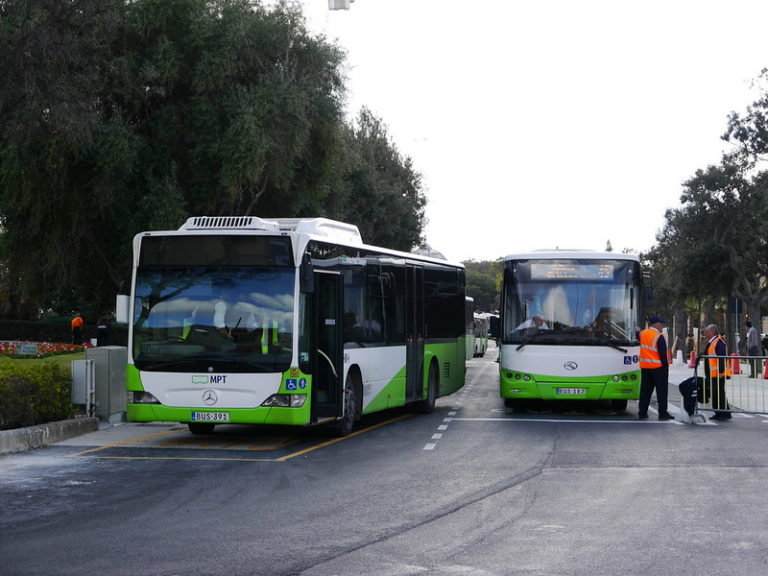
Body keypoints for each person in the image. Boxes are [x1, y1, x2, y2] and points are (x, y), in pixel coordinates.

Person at [638, 315, 674, 420]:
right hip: (658, 368)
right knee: (661, 392)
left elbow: (637, 336)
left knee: (645, 391)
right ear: (655, 324)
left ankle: (642, 412)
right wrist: (666, 367)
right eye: (661, 323)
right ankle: (663, 413)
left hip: (645, 367)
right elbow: (663, 354)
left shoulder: (642, 334)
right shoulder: (658, 336)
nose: (662, 325)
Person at [702, 323, 731, 420]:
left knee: (719, 394)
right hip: (712, 374)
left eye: (707, 331)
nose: (705, 333)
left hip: (718, 374)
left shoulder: (719, 342)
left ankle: (723, 413)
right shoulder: (712, 342)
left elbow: (722, 358)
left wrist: (721, 372)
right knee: (715, 394)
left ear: (712, 331)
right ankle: (720, 413)